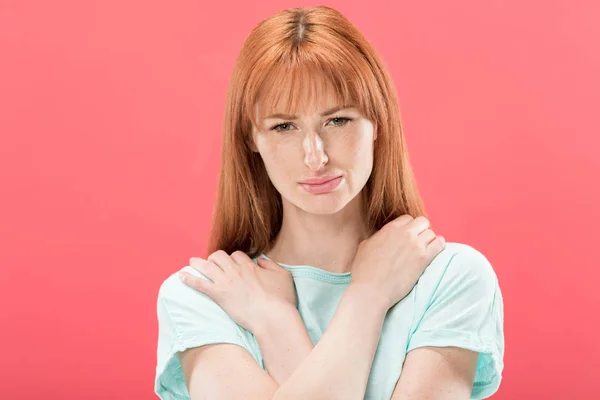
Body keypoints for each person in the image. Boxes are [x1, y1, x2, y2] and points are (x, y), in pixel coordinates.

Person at [154, 5, 504, 400]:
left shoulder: (450, 279)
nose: (315, 157)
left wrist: (363, 295)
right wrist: (282, 316)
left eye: (338, 120)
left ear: (378, 122)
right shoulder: (204, 296)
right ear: (251, 138)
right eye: (284, 126)